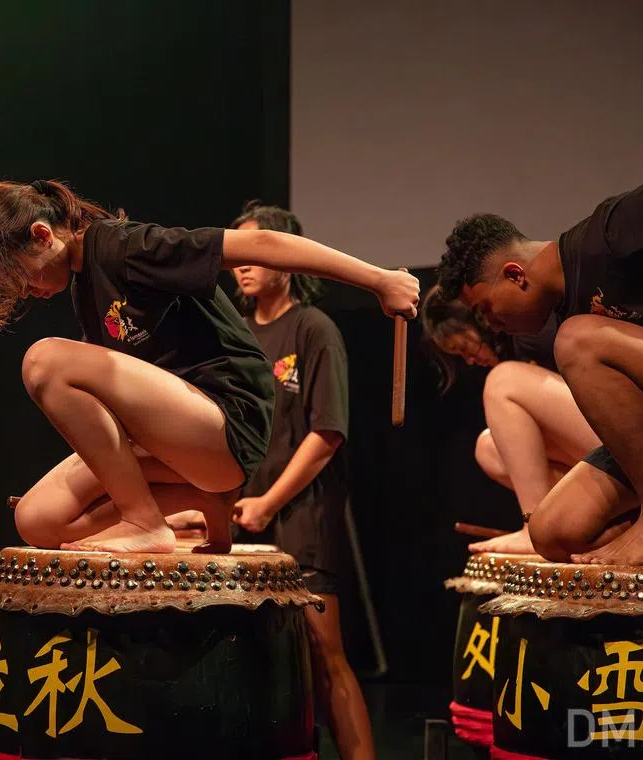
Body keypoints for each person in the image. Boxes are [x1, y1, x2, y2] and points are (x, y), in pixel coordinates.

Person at [0, 180, 419, 554]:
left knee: (43, 359)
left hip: (227, 421)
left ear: (42, 235)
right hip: (182, 445)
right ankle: (202, 500)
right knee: (37, 519)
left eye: (19, 277)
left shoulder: (124, 246)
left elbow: (265, 245)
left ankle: (145, 522)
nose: (25, 292)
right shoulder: (85, 288)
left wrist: (377, 280)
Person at [437, 149, 643, 565]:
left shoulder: (609, 234)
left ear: (515, 275)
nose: (491, 327)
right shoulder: (566, 303)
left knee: (578, 340)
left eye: (485, 310)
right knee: (552, 532)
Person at [228, 202, 374, 760]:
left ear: (287, 261)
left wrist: (268, 502)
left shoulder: (314, 329)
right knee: (253, 656)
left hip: (301, 517)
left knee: (322, 652)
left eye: (255, 252)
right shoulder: (236, 334)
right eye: (236, 254)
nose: (242, 265)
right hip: (241, 517)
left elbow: (327, 432)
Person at [421, 286, 603, 554]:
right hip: (599, 457)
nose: (470, 361)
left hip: (627, 435)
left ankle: (537, 529)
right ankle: (598, 522)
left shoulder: (529, 332)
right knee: (489, 448)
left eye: (464, 347)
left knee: (502, 380)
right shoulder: (514, 352)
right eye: (460, 356)